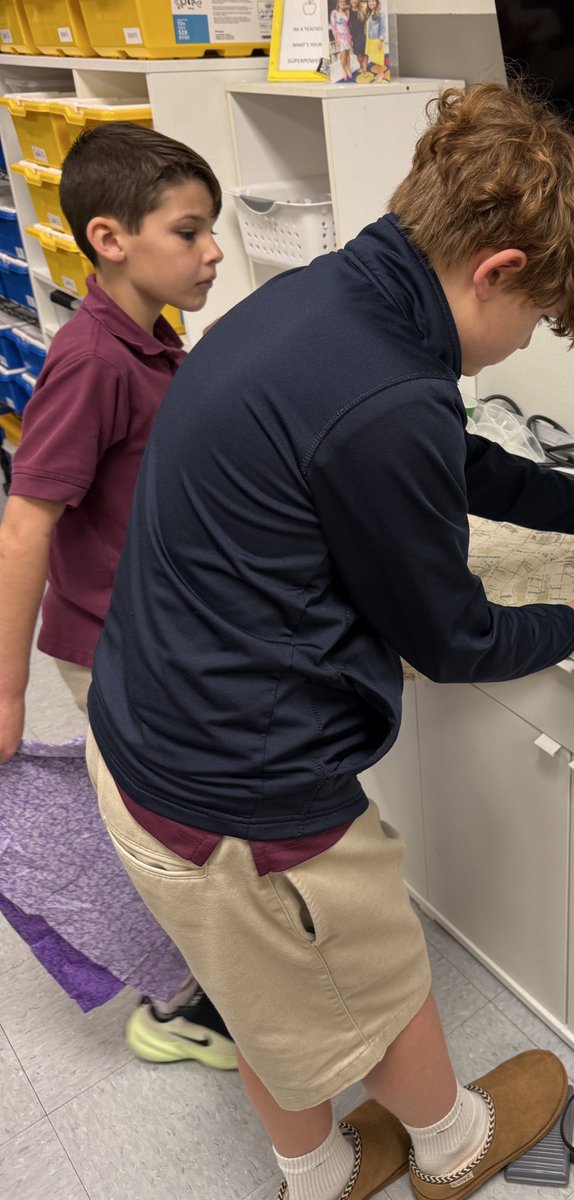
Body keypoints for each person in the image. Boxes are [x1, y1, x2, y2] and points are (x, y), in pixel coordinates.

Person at [85, 84, 574, 1200]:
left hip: (141, 740)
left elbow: (442, 456)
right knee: (377, 972)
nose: (521, 347)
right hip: (243, 798)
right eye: (537, 321)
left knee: (262, 1001)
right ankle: (452, 1152)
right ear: (496, 270)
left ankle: (313, 1174)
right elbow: (452, 639)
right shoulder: (385, 395)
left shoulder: (325, 305)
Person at [0, 122, 234, 1069]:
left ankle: (215, 975)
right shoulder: (93, 362)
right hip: (110, 646)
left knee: (191, 815)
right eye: (189, 231)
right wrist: (7, 691)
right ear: (109, 239)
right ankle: (178, 1006)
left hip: (156, 631)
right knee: (170, 829)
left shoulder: (149, 337)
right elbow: (25, 527)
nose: (213, 250)